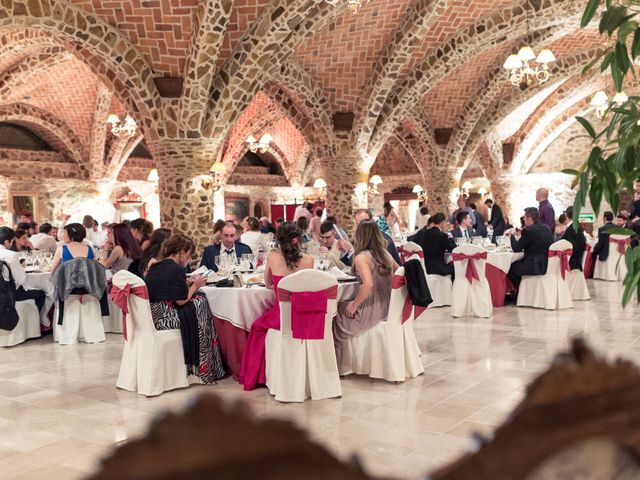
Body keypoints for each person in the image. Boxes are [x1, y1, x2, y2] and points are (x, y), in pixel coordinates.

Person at [239, 223, 314, 390]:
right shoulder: (309, 260)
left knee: (257, 328)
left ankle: (258, 376)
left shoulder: (272, 257)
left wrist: (282, 286)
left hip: (280, 316)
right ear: (298, 240)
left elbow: (267, 283)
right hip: (304, 316)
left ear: (278, 239)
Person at [145, 234, 225, 384]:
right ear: (182, 252)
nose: (189, 259)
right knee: (201, 304)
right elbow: (181, 301)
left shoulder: (157, 266)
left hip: (153, 313)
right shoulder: (176, 269)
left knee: (199, 302)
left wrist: (187, 282)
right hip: (165, 318)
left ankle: (207, 365)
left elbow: (167, 288)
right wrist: (195, 285)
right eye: (189, 255)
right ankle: (205, 367)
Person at [333, 220, 398, 374]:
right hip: (387, 305)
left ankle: (342, 366)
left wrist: (354, 305)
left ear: (360, 236)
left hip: (372, 309)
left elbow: (368, 285)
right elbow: (400, 272)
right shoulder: (385, 253)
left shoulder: (362, 257)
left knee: (337, 311)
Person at [0, 227, 46, 316]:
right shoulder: (11, 255)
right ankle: (40, 322)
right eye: (12, 241)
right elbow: (20, 280)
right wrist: (21, 267)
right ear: (6, 242)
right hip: (10, 294)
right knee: (41, 294)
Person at [506, 207, 554, 290]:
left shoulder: (528, 230)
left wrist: (512, 235)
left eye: (524, 217)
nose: (524, 219)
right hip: (548, 264)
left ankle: (521, 292)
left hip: (535, 266)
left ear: (529, 218)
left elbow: (516, 248)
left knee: (509, 268)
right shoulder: (547, 228)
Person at [408, 213, 456, 280]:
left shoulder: (424, 233)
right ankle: (449, 289)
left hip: (424, 267)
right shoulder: (442, 236)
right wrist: (450, 238)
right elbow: (453, 250)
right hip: (437, 268)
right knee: (455, 269)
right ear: (442, 222)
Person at [562, 206, 586, 272]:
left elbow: (571, 247)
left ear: (566, 215)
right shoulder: (577, 226)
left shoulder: (573, 228)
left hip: (572, 263)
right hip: (576, 261)